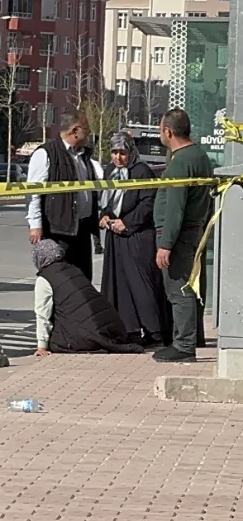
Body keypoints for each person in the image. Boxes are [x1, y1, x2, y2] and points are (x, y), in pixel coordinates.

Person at [153, 108, 214, 363]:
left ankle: (184, 345)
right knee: (188, 287)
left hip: (179, 235)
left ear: (168, 131)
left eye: (161, 130)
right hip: (193, 230)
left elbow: (175, 206)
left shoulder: (181, 162)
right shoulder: (199, 155)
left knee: (179, 290)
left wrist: (166, 244)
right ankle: (189, 338)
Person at [99, 132, 169, 348]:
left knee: (141, 284)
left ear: (131, 152)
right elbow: (105, 200)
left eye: (122, 152)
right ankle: (129, 330)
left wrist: (127, 223)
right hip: (115, 236)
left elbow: (148, 203)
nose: (118, 158)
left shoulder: (141, 171)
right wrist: (104, 215)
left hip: (137, 236)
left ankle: (154, 331)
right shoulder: (110, 171)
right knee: (119, 284)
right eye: (114, 152)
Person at [26, 110, 104, 281]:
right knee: (62, 280)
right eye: (86, 129)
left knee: (83, 279)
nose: (89, 134)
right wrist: (35, 225)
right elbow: (33, 192)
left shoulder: (84, 156)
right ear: (75, 131)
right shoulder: (45, 153)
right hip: (58, 230)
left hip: (82, 228)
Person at [33, 239, 143, 355]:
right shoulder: (74, 269)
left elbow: (42, 315)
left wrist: (42, 347)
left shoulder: (44, 279)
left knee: (55, 342)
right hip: (110, 332)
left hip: (84, 339)